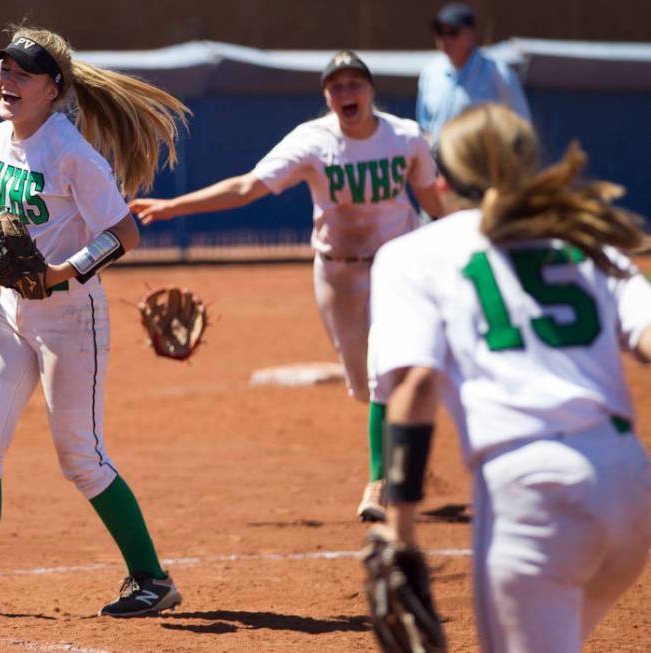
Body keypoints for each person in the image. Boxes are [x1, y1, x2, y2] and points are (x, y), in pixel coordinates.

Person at [0, 25, 190, 620]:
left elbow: (124, 233)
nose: (6, 80)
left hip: (72, 320)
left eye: (22, 73)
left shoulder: (72, 153)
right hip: (11, 313)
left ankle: (152, 578)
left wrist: (62, 272)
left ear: (53, 89)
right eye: (4, 69)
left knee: (81, 458)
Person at [370, 103, 651, 652]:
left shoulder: (413, 254)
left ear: (443, 178)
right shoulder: (585, 234)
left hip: (533, 491)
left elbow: (417, 387)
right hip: (628, 483)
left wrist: (397, 524)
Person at [129, 50, 443, 522]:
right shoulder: (313, 141)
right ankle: (394, 432)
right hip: (337, 274)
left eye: (355, 83)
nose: (346, 93)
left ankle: (380, 482)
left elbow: (433, 201)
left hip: (395, 269)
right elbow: (247, 187)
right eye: (336, 86)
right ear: (326, 97)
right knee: (362, 385)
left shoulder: (405, 138)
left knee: (384, 376)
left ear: (372, 90)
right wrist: (175, 207)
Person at [416, 3, 531, 144]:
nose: (445, 39)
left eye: (453, 32)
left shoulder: (498, 75)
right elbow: (425, 126)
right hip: (437, 161)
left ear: (471, 34)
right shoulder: (430, 72)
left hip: (480, 163)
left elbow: (522, 128)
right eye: (439, 31)